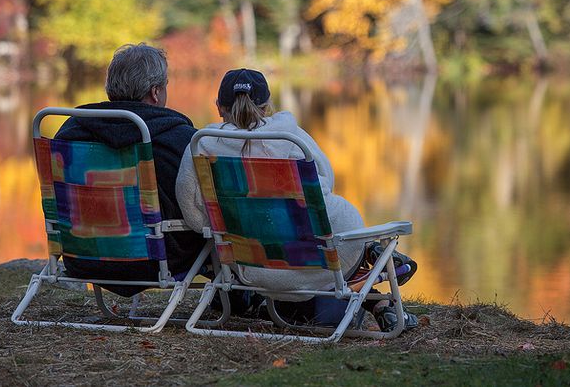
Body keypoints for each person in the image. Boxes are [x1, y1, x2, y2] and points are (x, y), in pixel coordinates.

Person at [176, 68, 417, 329]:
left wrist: (225, 228)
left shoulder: (201, 145)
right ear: (267, 106)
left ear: (219, 107)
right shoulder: (292, 138)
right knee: (339, 233)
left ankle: (373, 271)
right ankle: (373, 255)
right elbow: (325, 182)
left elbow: (192, 211)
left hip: (253, 268)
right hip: (320, 261)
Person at [54, 43, 206, 293]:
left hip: (82, 257)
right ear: (156, 92)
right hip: (154, 261)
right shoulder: (180, 139)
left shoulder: (70, 132)